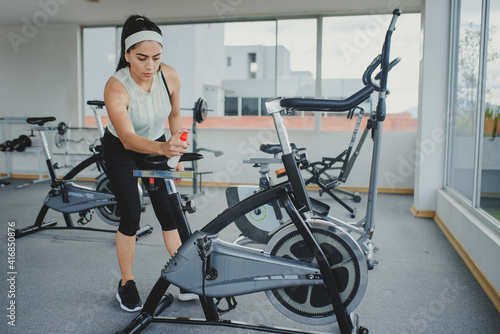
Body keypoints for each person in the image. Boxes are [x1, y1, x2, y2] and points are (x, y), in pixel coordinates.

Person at [102, 15, 197, 312]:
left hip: (157, 143)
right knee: (131, 214)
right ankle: (126, 283)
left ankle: (184, 275)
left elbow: (175, 115)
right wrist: (164, 149)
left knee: (169, 210)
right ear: (127, 53)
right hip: (121, 148)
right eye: (141, 58)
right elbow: (129, 139)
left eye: (156, 58)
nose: (150, 66)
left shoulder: (169, 76)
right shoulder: (116, 86)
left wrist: (176, 153)